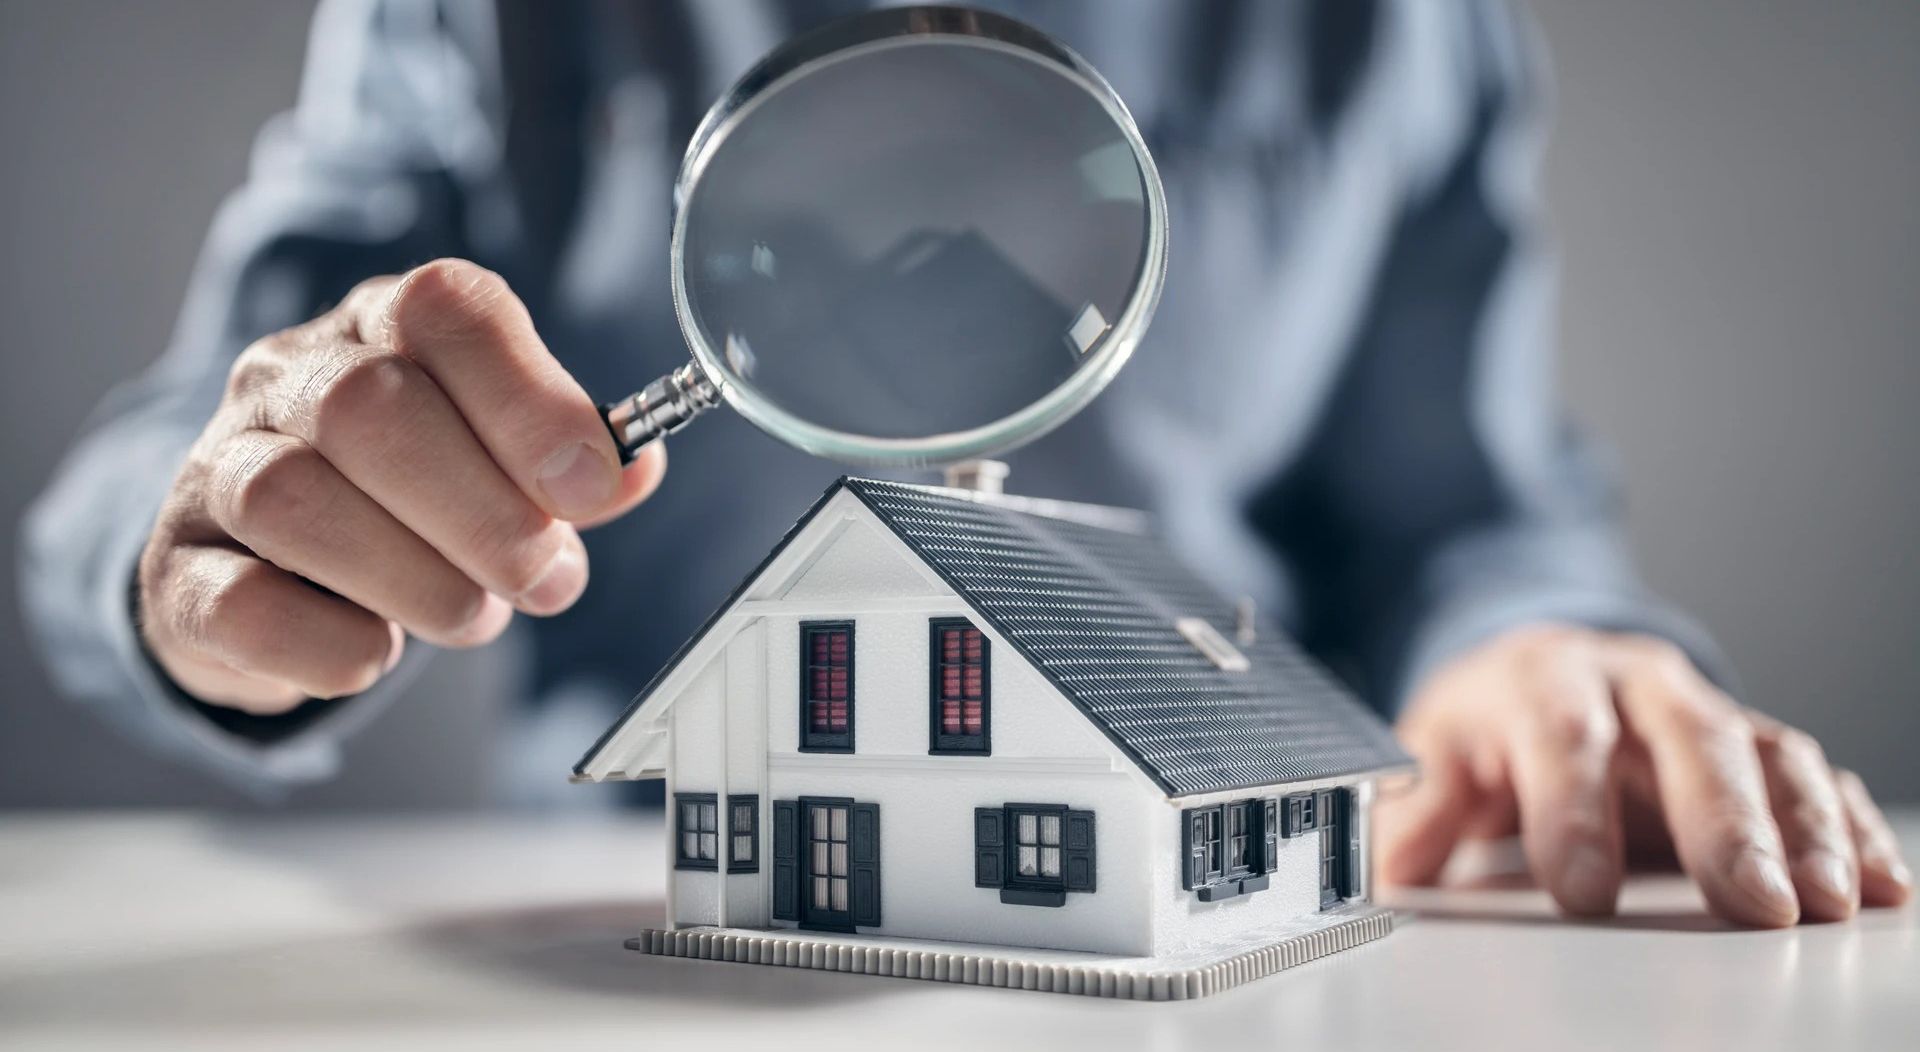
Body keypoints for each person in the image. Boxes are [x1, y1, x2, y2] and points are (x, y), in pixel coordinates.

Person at [20, 0, 1909, 928]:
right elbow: (158, 472)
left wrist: (1535, 644)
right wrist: (216, 562)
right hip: (660, 955)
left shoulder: (1398, 22)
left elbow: (1468, 519)